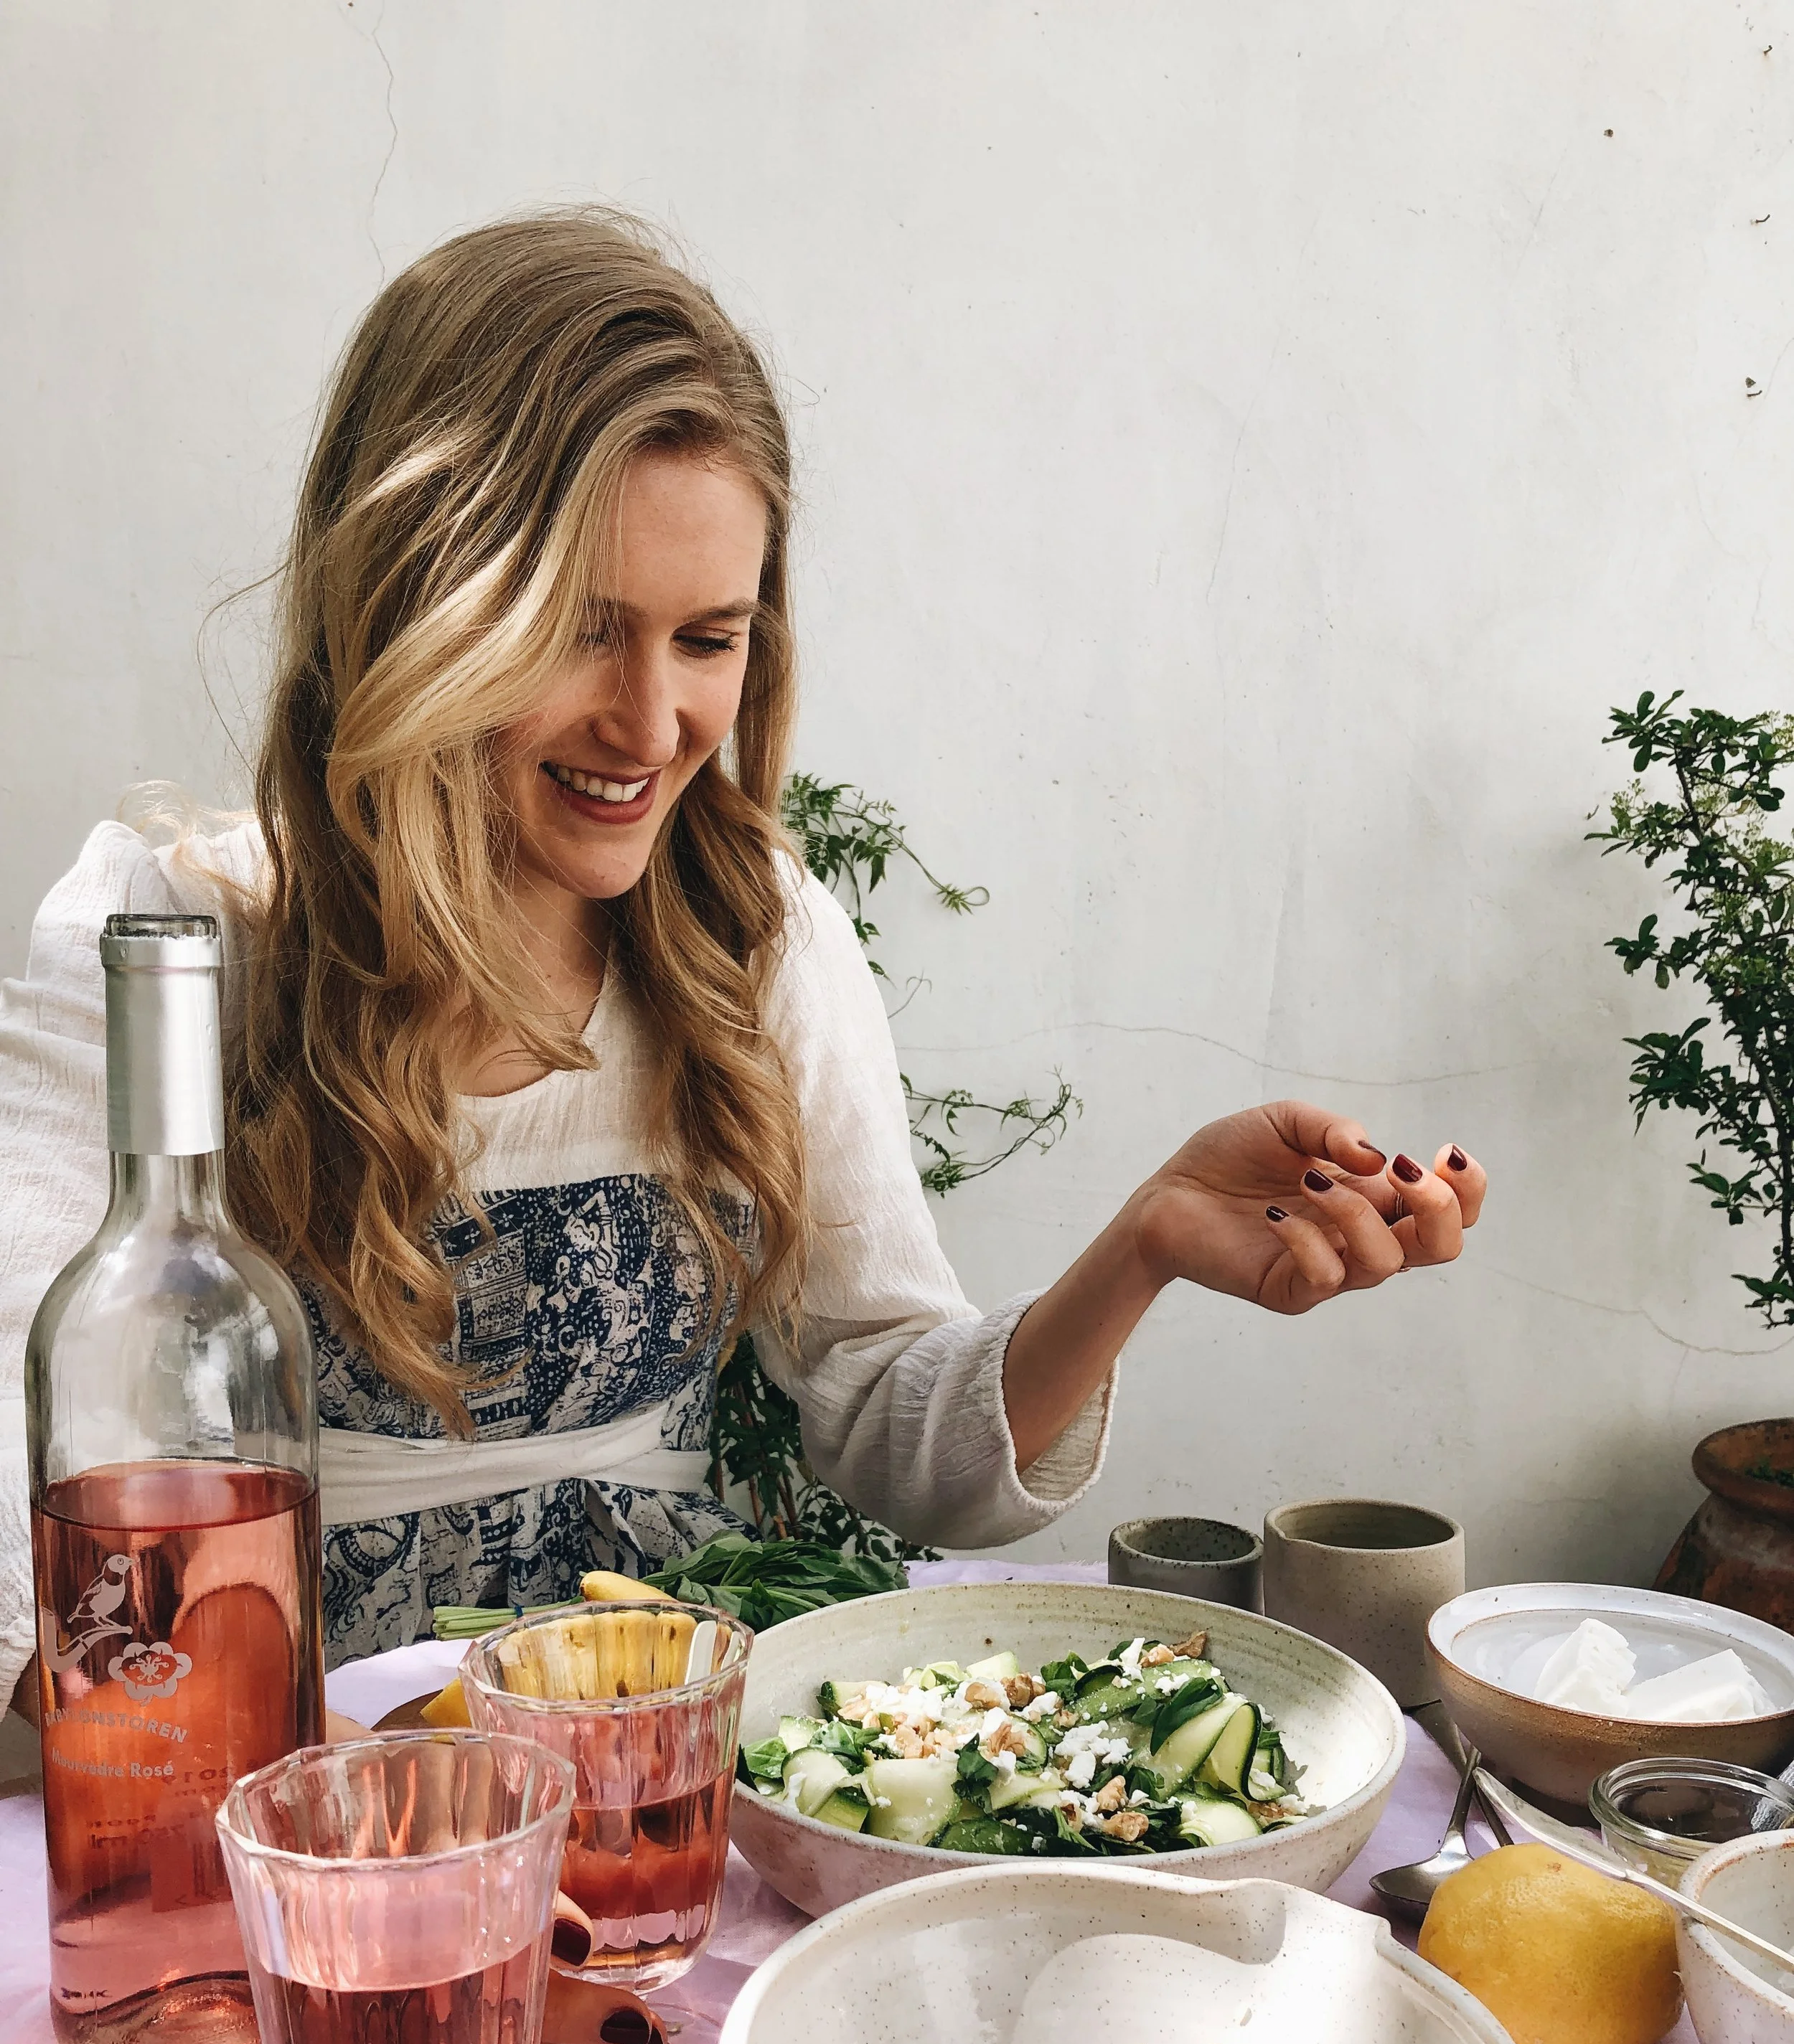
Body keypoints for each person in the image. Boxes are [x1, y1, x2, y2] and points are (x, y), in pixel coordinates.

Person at [0, 211, 1485, 1708]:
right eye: (579, 633)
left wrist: (1147, 1241)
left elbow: (906, 1450)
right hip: (308, 1814)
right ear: (410, 603)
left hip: (666, 1762)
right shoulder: (170, 953)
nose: (650, 728)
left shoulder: (747, 935)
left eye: (707, 639)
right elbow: (20, 1442)